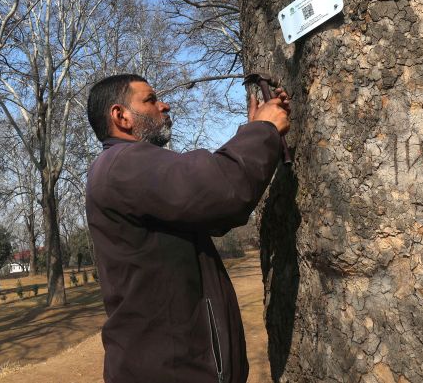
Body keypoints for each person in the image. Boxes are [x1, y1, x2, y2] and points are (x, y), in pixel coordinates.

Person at [85, 73, 290, 383]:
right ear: (121, 116)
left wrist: (254, 133)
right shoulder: (125, 163)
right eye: (151, 100)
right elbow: (220, 191)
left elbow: (208, 209)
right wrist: (263, 130)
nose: (164, 105)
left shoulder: (120, 167)